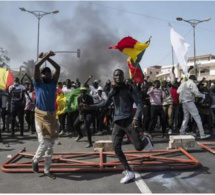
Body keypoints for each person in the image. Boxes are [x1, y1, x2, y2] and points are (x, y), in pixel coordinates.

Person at [81, 69, 153, 184]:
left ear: (123, 76)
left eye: (120, 75)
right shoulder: (112, 90)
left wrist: (136, 117)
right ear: (113, 77)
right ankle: (129, 172)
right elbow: (105, 103)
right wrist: (90, 106)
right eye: (116, 75)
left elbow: (139, 104)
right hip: (117, 122)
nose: (118, 77)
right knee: (116, 147)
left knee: (138, 147)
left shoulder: (129, 88)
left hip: (129, 120)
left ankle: (146, 140)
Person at [32, 51, 60, 180]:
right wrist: (46, 57)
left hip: (51, 117)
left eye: (48, 73)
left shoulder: (53, 84)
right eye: (44, 72)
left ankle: (47, 170)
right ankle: (36, 159)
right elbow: (37, 67)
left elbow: (58, 68)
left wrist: (48, 57)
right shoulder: (38, 84)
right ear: (41, 75)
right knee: (44, 143)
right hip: (40, 116)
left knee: (51, 145)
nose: (46, 74)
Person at [177, 75, 210, 139]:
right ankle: (202, 134)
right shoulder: (192, 83)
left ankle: (182, 132)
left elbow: (178, 91)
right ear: (194, 79)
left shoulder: (183, 83)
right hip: (190, 102)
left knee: (186, 117)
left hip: (183, 102)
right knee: (197, 118)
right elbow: (197, 93)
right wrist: (203, 96)